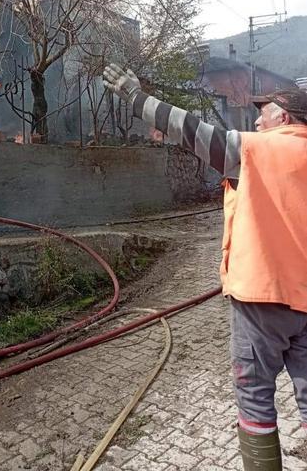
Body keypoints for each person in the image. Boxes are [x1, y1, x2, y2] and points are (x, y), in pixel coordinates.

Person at [103, 62, 307, 471]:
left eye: (263, 110)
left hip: (261, 301)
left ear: (284, 116)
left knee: (254, 396)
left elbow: (189, 129)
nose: (256, 116)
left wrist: (135, 96)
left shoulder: (255, 149)